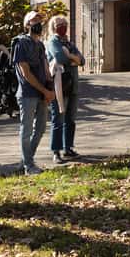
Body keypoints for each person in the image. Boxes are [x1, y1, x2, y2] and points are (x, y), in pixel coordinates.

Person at [13, 11, 55, 175]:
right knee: (27, 130)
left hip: (42, 93)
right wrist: (44, 90)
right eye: (34, 20)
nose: (38, 22)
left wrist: (49, 89)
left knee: (41, 128)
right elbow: (25, 73)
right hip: (27, 94)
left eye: (39, 19)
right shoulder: (20, 43)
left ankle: (25, 160)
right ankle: (29, 166)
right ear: (27, 24)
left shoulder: (40, 45)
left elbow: (45, 69)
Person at [46, 15, 84, 164]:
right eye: (58, 24)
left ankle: (68, 148)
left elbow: (82, 60)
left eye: (64, 23)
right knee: (58, 119)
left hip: (73, 85)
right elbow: (60, 58)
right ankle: (56, 151)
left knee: (71, 119)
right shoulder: (52, 41)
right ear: (53, 27)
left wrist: (71, 56)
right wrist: (73, 59)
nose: (62, 26)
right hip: (60, 85)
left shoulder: (69, 43)